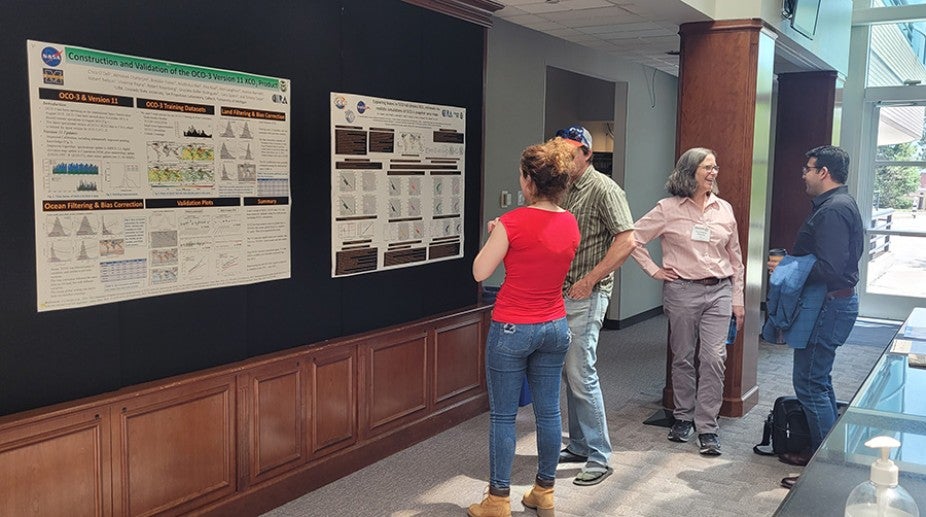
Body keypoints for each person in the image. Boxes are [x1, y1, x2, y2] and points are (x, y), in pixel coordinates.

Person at [468, 138, 581, 517]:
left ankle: (498, 500)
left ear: (530, 181)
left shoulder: (511, 222)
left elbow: (480, 271)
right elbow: (543, 252)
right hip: (555, 325)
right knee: (549, 413)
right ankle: (544, 492)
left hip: (513, 327)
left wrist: (497, 233)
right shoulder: (570, 222)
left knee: (503, 416)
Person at [631, 147, 745, 456]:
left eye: (715, 167)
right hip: (682, 291)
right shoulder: (667, 209)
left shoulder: (724, 209)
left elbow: (735, 258)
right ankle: (683, 416)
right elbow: (633, 238)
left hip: (719, 291)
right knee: (682, 356)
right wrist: (654, 270)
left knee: (714, 358)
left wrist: (738, 299)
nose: (714, 172)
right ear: (689, 172)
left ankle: (707, 426)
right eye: (707, 167)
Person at [772, 145, 863, 489]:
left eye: (807, 169)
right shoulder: (838, 204)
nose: (803, 175)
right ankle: (824, 452)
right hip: (833, 304)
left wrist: (786, 266)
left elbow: (830, 268)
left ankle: (825, 470)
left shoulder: (833, 210)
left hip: (828, 306)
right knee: (818, 380)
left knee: (809, 383)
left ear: (823, 172)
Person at [554, 125, 635, 486]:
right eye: (560, 151)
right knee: (569, 372)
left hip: (588, 293)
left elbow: (626, 241)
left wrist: (590, 280)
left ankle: (600, 455)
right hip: (560, 294)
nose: (564, 158)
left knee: (580, 371)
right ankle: (580, 444)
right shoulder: (559, 188)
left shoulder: (604, 189)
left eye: (571, 152)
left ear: (587, 154)